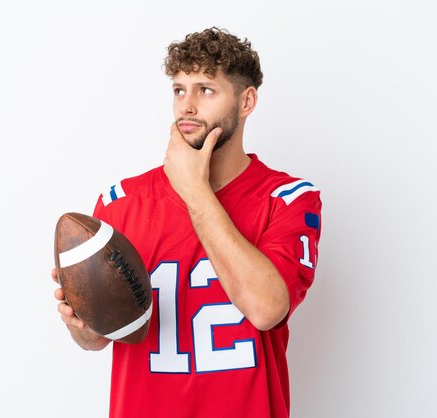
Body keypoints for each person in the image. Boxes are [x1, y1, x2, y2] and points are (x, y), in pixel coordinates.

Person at [52, 27, 322, 418]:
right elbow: (95, 341)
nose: (187, 106)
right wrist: (83, 322)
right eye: (179, 90)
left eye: (205, 90)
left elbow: (266, 310)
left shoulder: (288, 198)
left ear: (246, 101)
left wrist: (193, 191)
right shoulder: (121, 201)